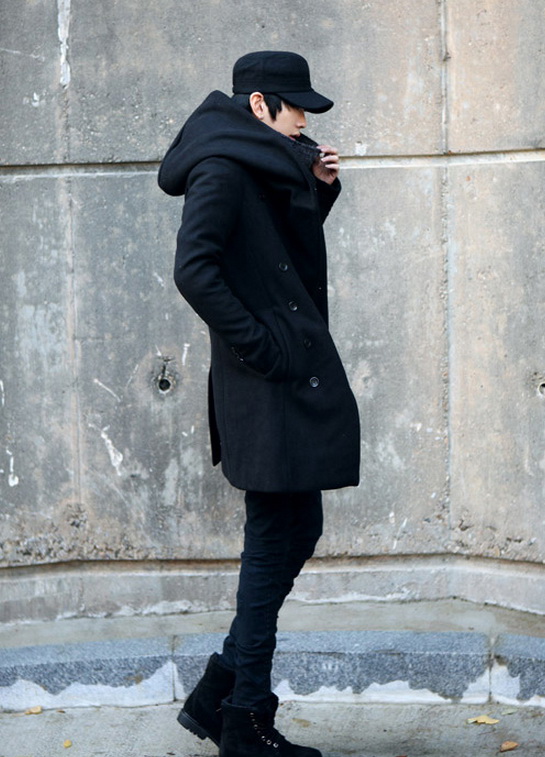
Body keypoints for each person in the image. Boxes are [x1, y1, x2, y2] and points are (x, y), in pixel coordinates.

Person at [158, 50, 360, 757]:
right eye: (294, 105)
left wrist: (319, 190)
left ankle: (220, 691)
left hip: (280, 381)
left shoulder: (265, 161)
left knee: (296, 528)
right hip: (264, 383)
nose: (304, 117)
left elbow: (276, 257)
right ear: (257, 105)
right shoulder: (221, 167)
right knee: (275, 538)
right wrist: (262, 347)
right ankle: (243, 715)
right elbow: (194, 269)